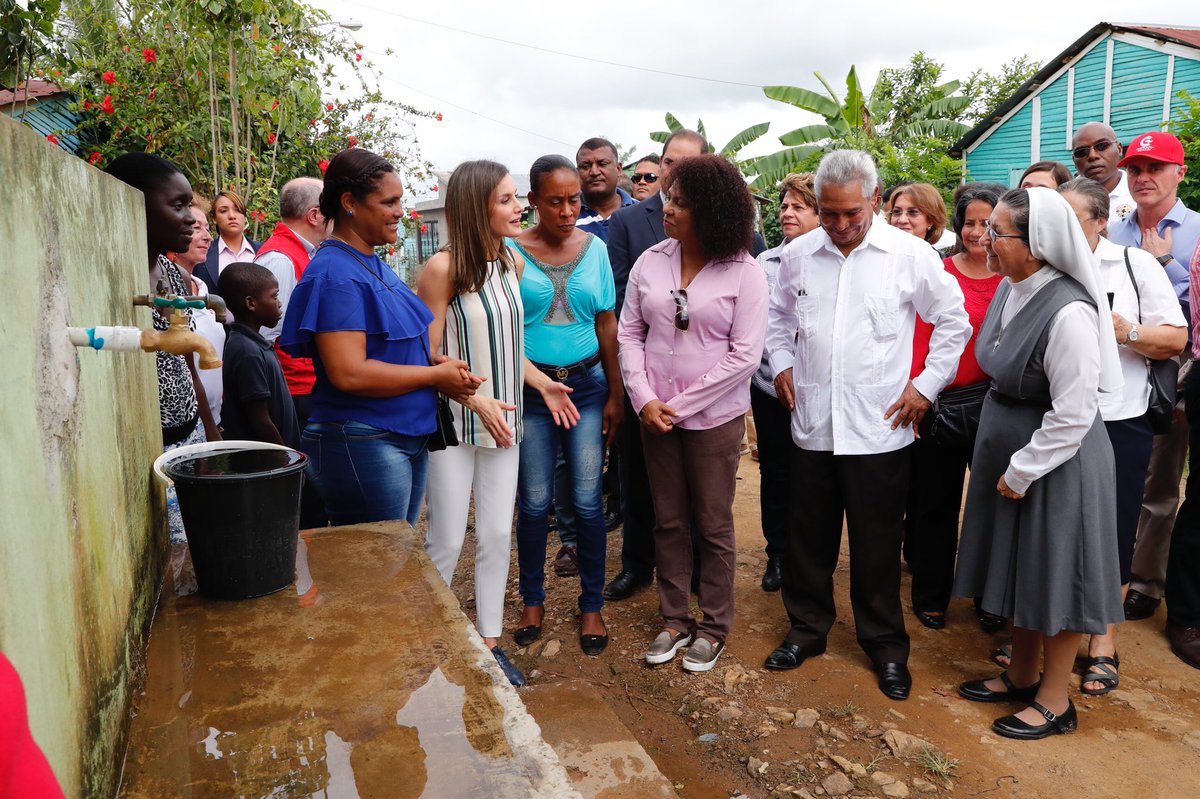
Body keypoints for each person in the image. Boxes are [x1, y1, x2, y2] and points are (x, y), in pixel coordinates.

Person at [762, 149, 970, 701]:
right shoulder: (799, 253)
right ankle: (807, 630)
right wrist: (781, 362)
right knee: (808, 538)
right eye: (828, 213)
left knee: (877, 544)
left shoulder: (909, 255)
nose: (838, 225)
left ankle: (884, 647)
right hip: (813, 422)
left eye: (850, 213)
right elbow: (778, 317)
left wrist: (925, 388)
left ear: (874, 201)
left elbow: (954, 322)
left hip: (879, 426)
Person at [954, 187, 1124, 740]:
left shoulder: (1069, 311)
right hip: (1012, 446)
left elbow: (1075, 412)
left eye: (996, 232)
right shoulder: (1011, 286)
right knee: (1019, 565)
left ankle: (1055, 702)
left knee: (1055, 572)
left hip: (1056, 460)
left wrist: (1023, 468)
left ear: (1037, 243)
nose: (984, 239)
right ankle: (1023, 674)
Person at [620, 153, 768, 672]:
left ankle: (713, 627)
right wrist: (644, 399)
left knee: (712, 523)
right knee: (668, 520)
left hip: (712, 421)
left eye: (681, 202)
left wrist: (678, 405)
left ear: (711, 210)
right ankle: (674, 619)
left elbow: (744, 355)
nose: (668, 208)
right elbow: (630, 332)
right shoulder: (651, 261)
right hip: (654, 415)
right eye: (667, 197)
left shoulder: (745, 272)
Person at [279, 148, 481, 526]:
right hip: (364, 440)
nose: (400, 211)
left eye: (400, 200)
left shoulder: (368, 260)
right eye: (389, 202)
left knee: (396, 563)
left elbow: (385, 347)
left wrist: (432, 363)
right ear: (350, 203)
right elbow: (349, 373)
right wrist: (434, 377)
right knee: (378, 569)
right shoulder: (336, 273)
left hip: (398, 436)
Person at [1058, 177, 1187, 694]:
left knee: (1111, 527)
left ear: (1100, 220)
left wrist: (1126, 331)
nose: (1064, 229)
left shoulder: (1134, 265)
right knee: (1059, 523)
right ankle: (1053, 630)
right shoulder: (1047, 266)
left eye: (1075, 219)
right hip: (1056, 417)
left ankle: (1103, 641)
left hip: (1120, 417)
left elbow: (1175, 337)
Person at [417, 159, 543, 687]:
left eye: (517, 197)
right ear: (476, 207)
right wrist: (476, 401)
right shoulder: (442, 270)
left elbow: (509, 348)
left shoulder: (511, 263)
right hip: (454, 424)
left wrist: (540, 383)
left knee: (495, 533)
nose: (521, 208)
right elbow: (426, 360)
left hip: (505, 419)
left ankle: (489, 644)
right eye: (507, 200)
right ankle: (431, 643)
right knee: (446, 538)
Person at [510, 154, 622, 656]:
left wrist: (617, 393)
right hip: (532, 392)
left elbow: (606, 324)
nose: (567, 210)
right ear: (532, 200)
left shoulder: (594, 249)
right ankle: (532, 599)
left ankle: (591, 604)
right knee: (534, 501)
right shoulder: (509, 250)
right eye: (554, 201)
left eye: (574, 199)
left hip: (587, 387)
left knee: (585, 499)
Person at [603, 129, 708, 601]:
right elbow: (623, 294)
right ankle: (637, 563)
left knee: (702, 487)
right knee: (639, 475)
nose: (676, 171)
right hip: (643, 373)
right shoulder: (628, 221)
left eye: (690, 163)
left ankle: (701, 571)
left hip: (705, 383)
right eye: (669, 162)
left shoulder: (733, 224)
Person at [1108, 132, 1199, 637]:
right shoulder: (1113, 231)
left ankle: (1145, 580)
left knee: (1160, 479)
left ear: (1179, 173)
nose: (1143, 178)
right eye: (1135, 168)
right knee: (1119, 475)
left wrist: (1165, 262)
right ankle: (1108, 572)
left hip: (1174, 369)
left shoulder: (1196, 232)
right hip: (1116, 369)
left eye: (1156, 168)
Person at [104, 153, 221, 543]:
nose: (191, 216)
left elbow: (187, 358)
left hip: (187, 437)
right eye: (178, 205)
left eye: (190, 203)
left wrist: (209, 435)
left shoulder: (171, 272)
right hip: (146, 447)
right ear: (132, 202)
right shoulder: (112, 275)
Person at [905, 183, 1005, 631]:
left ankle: (991, 595)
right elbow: (921, 339)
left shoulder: (1014, 278)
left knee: (993, 504)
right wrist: (920, 394)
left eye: (989, 224)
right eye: (970, 222)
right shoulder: (939, 272)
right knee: (934, 504)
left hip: (996, 407)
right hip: (941, 404)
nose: (978, 232)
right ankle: (931, 593)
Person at [752, 172, 819, 592]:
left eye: (798, 206)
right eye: (784, 206)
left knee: (813, 475)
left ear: (818, 214)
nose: (787, 212)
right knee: (776, 472)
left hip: (820, 389)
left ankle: (808, 555)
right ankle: (777, 553)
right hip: (770, 387)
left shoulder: (831, 260)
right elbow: (760, 326)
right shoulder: (765, 263)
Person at [256, 177, 327, 429]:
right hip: (293, 390)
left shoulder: (303, 252)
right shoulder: (280, 258)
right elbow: (263, 337)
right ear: (314, 215)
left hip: (305, 386)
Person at [217, 262, 301, 448]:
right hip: (265, 465)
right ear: (251, 303)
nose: (279, 303)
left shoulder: (253, 344)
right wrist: (286, 459)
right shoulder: (247, 351)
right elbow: (260, 421)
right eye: (274, 296)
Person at [166, 200, 226, 430]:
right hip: (190, 425)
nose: (208, 236)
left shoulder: (202, 289)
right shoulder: (168, 293)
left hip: (215, 418)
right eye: (196, 228)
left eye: (207, 228)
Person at [195, 189, 257, 291]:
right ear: (214, 218)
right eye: (223, 211)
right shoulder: (202, 253)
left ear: (244, 216)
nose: (232, 216)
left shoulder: (262, 252)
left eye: (237, 210)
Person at [1071, 122, 1134, 223]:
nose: (1092, 156)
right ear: (1074, 160)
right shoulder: (1064, 199)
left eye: (1101, 146)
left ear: (1119, 149)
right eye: (1082, 152)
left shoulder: (1140, 194)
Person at [576, 137, 634, 241]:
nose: (594, 172)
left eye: (602, 164)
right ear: (577, 172)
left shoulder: (642, 213)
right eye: (585, 166)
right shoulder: (566, 216)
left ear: (618, 169)